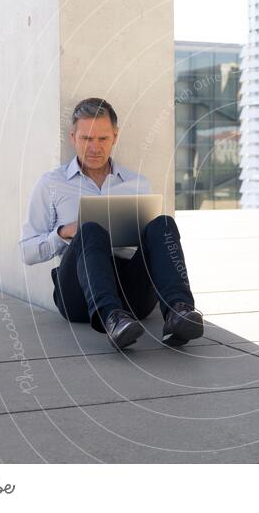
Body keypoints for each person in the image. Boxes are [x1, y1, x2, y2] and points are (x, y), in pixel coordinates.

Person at [19, 97, 204, 350]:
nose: (94, 147)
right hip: (79, 295)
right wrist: (63, 233)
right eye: (86, 139)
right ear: (73, 137)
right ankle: (111, 318)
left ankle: (178, 311)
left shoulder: (137, 184)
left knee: (163, 224)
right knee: (91, 229)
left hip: (131, 292)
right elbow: (27, 252)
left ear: (114, 137)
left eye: (102, 139)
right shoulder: (51, 184)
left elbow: (156, 248)